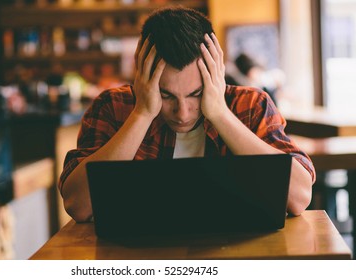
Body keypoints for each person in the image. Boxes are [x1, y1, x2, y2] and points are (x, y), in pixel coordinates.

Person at [59, 7, 316, 222]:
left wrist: (220, 114)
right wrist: (142, 114)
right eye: (166, 95)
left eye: (196, 94)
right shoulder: (113, 107)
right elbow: (78, 205)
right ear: (141, 77)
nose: (182, 113)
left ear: (216, 73)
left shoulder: (250, 104)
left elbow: (298, 197)